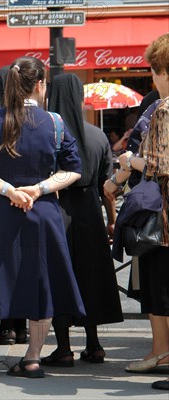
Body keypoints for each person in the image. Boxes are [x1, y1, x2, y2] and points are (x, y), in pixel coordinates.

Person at [0, 56, 85, 379]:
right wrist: (38, 188)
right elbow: (74, 168)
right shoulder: (55, 123)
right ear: (41, 85)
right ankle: (32, 358)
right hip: (42, 212)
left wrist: (8, 190)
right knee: (41, 285)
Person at [42, 73, 123, 368]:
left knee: (60, 275)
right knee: (90, 275)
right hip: (90, 209)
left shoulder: (48, 134)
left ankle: (63, 347)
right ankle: (94, 343)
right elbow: (107, 188)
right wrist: (111, 221)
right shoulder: (98, 135)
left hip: (57, 206)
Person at [104, 33, 169, 392]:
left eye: (154, 71)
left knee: (161, 290)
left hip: (164, 216)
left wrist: (131, 159)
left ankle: (164, 354)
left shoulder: (163, 109)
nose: (153, 78)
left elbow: (161, 164)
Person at [0, 65, 29, 347]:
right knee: (25, 262)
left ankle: (7, 326)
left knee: (2, 264)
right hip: (31, 199)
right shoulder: (39, 119)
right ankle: (23, 326)